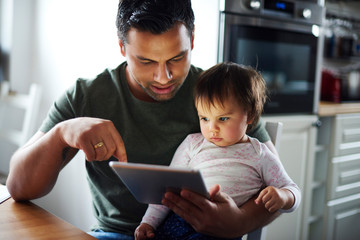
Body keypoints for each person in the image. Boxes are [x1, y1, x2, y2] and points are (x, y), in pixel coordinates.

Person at [7, 1, 280, 239]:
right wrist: (61, 134)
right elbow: (18, 187)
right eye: (146, 61)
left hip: (202, 235)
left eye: (177, 57)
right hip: (115, 233)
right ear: (121, 47)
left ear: (193, 39)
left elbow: (276, 186)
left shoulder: (223, 95)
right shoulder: (87, 96)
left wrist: (238, 222)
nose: (164, 77)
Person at [134, 62, 301, 240]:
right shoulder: (192, 144)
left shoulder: (259, 154)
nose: (212, 128)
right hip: (177, 221)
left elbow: (292, 189)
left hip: (220, 230)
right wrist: (148, 223)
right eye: (204, 118)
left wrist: (283, 196)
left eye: (223, 118)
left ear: (250, 115)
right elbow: (168, 190)